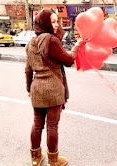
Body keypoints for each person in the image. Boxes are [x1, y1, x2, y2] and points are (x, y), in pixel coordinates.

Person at [25, 9, 79, 166]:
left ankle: (35, 159)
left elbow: (28, 69)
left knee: (37, 124)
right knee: (52, 126)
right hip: (53, 89)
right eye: (53, 21)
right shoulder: (51, 40)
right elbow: (69, 60)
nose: (56, 25)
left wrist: (29, 89)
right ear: (46, 23)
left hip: (36, 89)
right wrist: (77, 45)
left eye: (57, 21)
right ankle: (53, 160)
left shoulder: (31, 43)